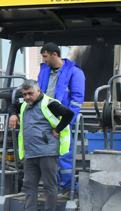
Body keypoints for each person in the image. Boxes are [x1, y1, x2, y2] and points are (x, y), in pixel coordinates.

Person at [7, 78, 76, 211]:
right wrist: (13, 114)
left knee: (49, 185)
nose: (27, 97)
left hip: (47, 152)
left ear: (38, 91)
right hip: (31, 152)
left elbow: (69, 114)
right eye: (24, 94)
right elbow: (12, 106)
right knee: (29, 185)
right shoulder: (25, 105)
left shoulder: (49, 104)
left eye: (30, 94)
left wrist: (58, 130)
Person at [35, 42, 85, 191]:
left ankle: (69, 189)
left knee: (64, 155)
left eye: (45, 56)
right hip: (44, 119)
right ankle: (52, 189)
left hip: (62, 119)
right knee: (47, 156)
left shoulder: (75, 72)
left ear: (54, 54)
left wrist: (66, 122)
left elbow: (76, 101)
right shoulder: (44, 71)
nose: (43, 60)